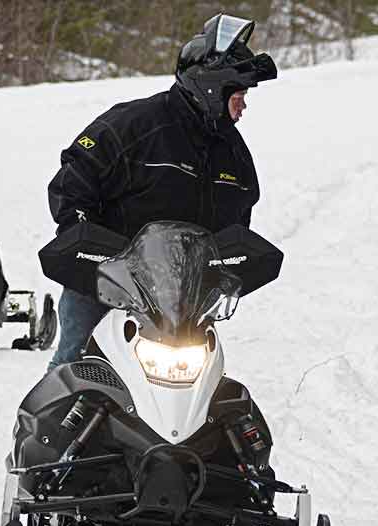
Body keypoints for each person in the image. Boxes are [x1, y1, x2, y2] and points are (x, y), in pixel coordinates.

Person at [46, 13, 278, 371]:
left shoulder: (233, 155)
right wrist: (82, 240)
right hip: (104, 280)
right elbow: (76, 175)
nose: (243, 106)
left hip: (179, 300)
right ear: (213, 88)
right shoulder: (134, 124)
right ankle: (51, 425)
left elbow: (237, 227)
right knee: (74, 367)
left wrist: (231, 266)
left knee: (200, 383)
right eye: (239, 95)